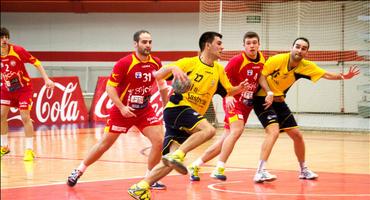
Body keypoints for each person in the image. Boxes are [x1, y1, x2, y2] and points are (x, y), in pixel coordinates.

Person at [128, 31, 250, 200]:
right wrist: (173, 67)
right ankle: (178, 154)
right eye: (219, 43)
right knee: (209, 130)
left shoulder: (219, 71)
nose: (222, 47)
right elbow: (157, 75)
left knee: (169, 163)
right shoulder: (188, 63)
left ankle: (141, 187)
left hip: (188, 117)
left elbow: (228, 91)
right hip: (177, 108)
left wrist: (239, 89)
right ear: (208, 45)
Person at [66, 30, 169, 189]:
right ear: (135, 44)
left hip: (144, 110)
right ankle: (79, 170)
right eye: (144, 42)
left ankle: (150, 178)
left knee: (158, 141)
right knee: (105, 144)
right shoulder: (124, 63)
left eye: (150, 42)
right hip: (123, 110)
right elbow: (109, 87)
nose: (148, 45)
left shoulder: (156, 62)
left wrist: (166, 105)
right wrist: (121, 108)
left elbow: (162, 86)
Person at [252, 37, 360, 183]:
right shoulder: (277, 59)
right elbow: (261, 76)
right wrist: (269, 92)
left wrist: (343, 76)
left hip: (279, 101)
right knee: (274, 131)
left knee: (297, 135)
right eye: (297, 46)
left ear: (306, 52)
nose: (299, 50)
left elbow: (325, 74)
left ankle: (303, 170)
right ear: (292, 47)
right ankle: (260, 171)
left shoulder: (305, 66)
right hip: (262, 99)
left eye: (303, 48)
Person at [187, 31, 273, 181]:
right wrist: (227, 96)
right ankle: (219, 168)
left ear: (259, 45)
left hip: (247, 105)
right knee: (237, 130)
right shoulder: (237, 60)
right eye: (248, 43)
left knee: (225, 139)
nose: (252, 46)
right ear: (244, 46)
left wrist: (269, 91)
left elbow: (260, 77)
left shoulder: (261, 60)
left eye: (254, 43)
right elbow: (222, 80)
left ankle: (195, 164)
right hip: (233, 101)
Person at [0, 27, 55, 161]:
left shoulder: (18, 51)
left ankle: (29, 150)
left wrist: (46, 79)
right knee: (1, 115)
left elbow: (36, 62)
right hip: (6, 89)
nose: (4, 40)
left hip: (23, 89)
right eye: (1, 37)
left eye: (6, 37)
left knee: (25, 117)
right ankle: (4, 146)